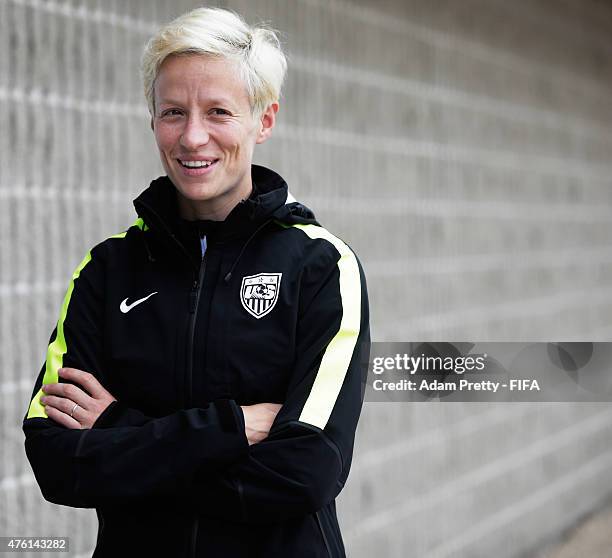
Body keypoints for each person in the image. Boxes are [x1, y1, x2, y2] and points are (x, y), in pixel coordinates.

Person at [23, 7, 370, 558]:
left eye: (218, 112)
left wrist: (119, 430)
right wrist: (232, 428)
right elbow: (57, 462)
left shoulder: (320, 267)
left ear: (264, 119)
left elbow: (306, 471)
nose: (192, 137)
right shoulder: (107, 271)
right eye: (172, 112)